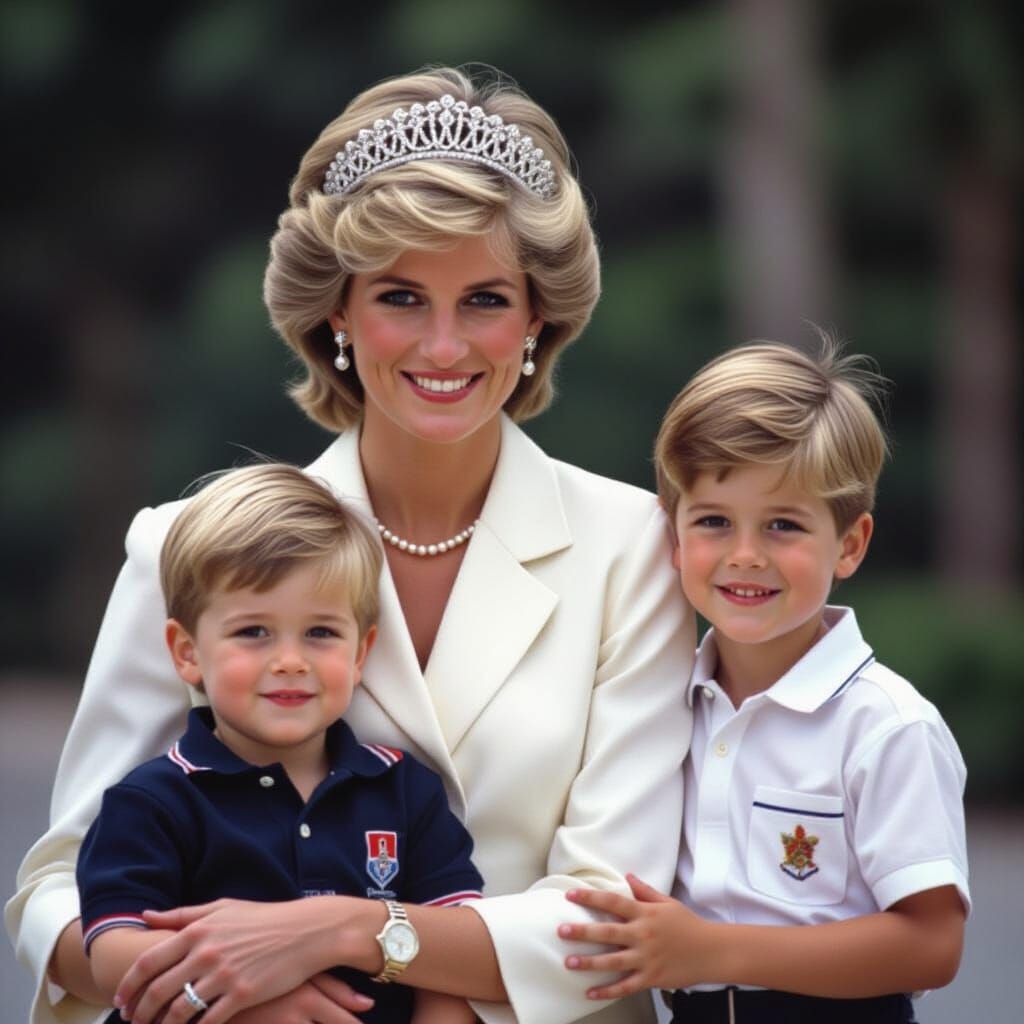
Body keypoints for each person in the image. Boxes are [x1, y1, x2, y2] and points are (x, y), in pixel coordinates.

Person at [6, 66, 694, 1024]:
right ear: (337, 311)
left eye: (486, 300)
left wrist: (341, 933)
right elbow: (59, 893)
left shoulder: (635, 552)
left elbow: (606, 920)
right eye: (402, 298)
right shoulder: (183, 545)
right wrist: (230, 996)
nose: (444, 347)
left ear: (539, 318)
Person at [558, 338, 969, 1023]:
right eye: (714, 522)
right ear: (673, 534)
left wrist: (713, 951)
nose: (745, 556)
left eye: (783, 525)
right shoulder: (658, 704)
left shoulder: (887, 726)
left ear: (850, 543)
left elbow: (933, 943)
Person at [76, 463, 484, 1024]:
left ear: (361, 652)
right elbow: (114, 951)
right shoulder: (153, 800)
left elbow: (449, 966)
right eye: (253, 632)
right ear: (187, 652)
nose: (290, 661)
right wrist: (248, 999)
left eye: (320, 633)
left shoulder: (406, 791)